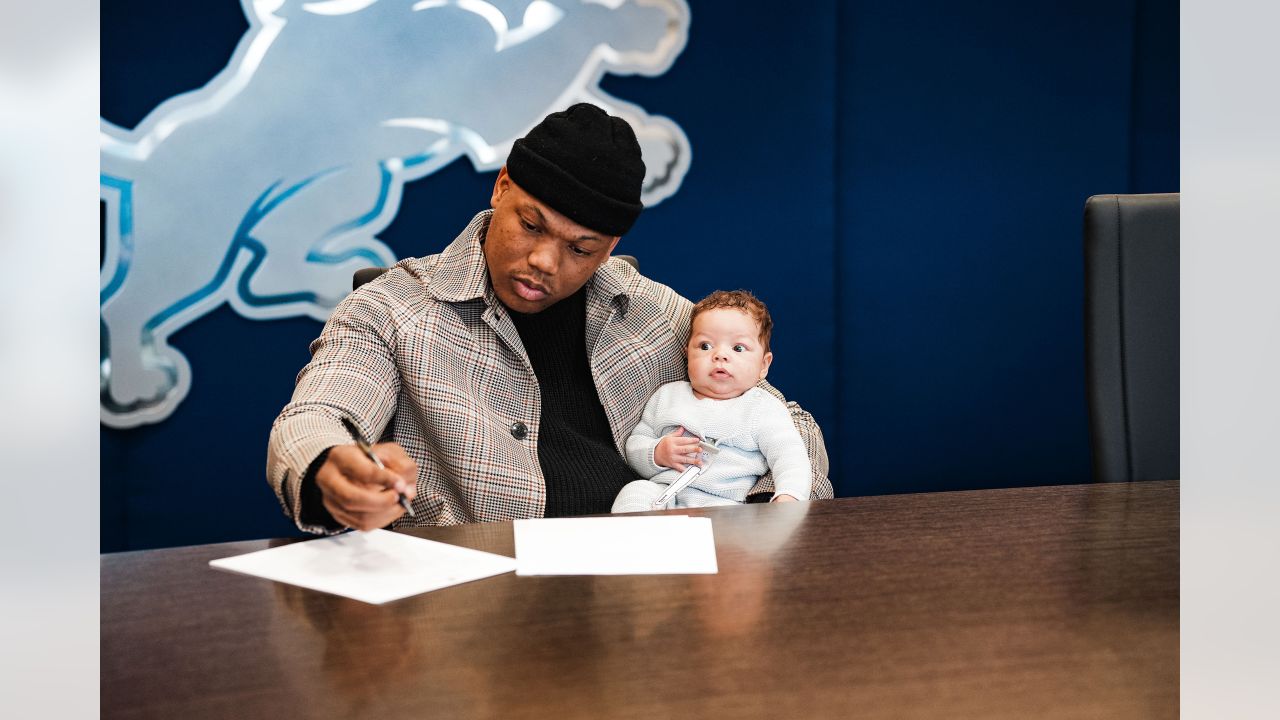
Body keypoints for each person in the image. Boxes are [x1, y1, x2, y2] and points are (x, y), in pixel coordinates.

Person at [266, 103, 832, 534]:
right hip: (474, 610)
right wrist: (331, 468)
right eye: (531, 226)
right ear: (502, 185)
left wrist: (747, 524)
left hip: (645, 594)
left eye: (580, 249)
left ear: (609, 248)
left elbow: (789, 425)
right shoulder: (392, 310)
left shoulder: (652, 313)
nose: (544, 261)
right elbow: (315, 416)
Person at [612, 290, 810, 512]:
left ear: (764, 365)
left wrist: (789, 497)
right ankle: (630, 540)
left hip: (728, 504)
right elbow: (635, 444)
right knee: (635, 490)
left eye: (738, 348)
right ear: (687, 354)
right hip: (664, 494)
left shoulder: (762, 408)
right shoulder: (667, 397)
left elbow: (790, 457)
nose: (720, 355)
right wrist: (656, 452)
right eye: (705, 346)